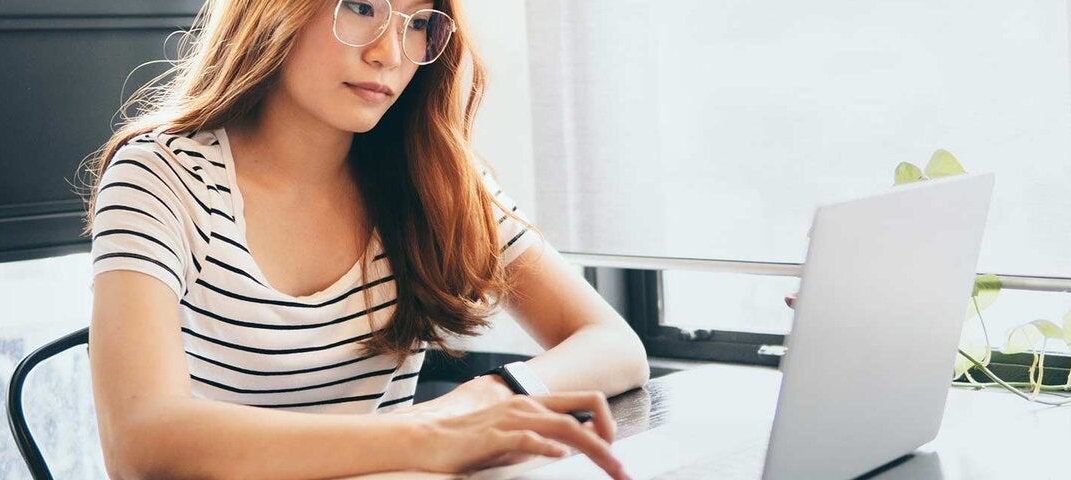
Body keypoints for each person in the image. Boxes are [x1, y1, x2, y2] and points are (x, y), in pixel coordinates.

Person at [80, 0, 648, 478]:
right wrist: (425, 434)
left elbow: (614, 344)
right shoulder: (159, 176)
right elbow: (138, 440)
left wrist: (488, 397)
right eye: (360, 6)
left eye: (418, 22)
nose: (390, 53)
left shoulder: (434, 176)